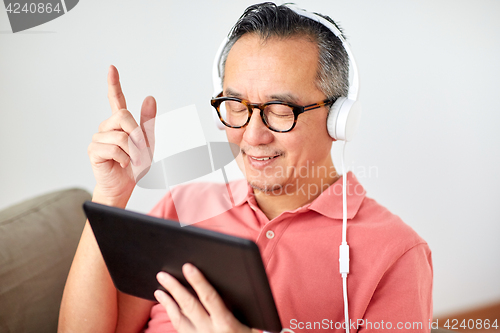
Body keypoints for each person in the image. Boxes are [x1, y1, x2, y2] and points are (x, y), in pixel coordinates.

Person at [59, 3, 433, 332]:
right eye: (236, 105)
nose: (253, 136)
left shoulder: (397, 253)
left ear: (339, 120)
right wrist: (111, 194)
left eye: (280, 110)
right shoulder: (183, 207)